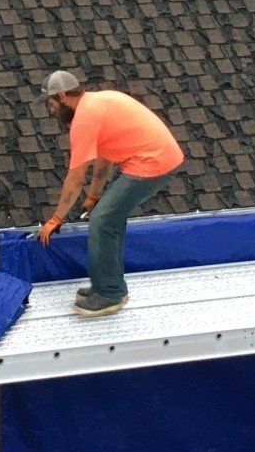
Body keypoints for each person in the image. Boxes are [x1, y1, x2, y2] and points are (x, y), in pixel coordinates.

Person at [38, 69, 186, 316]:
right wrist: (94, 195)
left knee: (103, 221)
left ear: (63, 95)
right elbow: (103, 161)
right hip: (158, 157)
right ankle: (110, 285)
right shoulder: (98, 104)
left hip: (153, 162)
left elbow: (75, 179)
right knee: (110, 218)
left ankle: (109, 293)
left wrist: (57, 218)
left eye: (50, 103)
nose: (50, 110)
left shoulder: (85, 119)